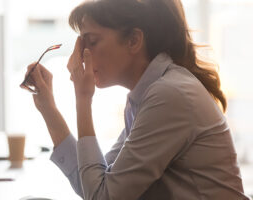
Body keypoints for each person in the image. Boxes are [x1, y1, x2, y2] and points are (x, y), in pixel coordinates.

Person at [23, 0, 250, 199]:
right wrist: (48, 109)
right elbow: (94, 183)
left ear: (133, 40)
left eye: (91, 42)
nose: (81, 55)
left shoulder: (169, 95)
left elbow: (102, 196)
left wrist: (83, 99)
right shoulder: (148, 95)